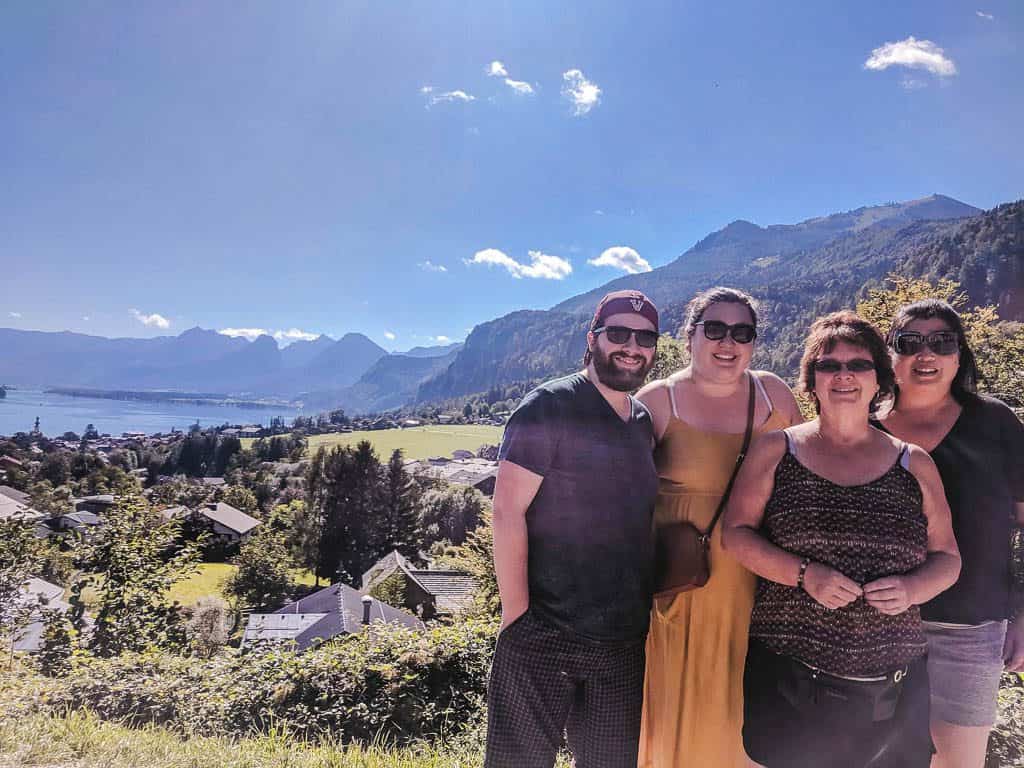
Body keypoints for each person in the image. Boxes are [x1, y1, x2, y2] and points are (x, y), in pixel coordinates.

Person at [722, 311, 961, 768]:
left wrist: (912, 589)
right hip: (788, 681)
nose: (844, 375)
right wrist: (805, 574)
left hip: (892, 693)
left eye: (858, 364)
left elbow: (947, 558)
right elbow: (735, 534)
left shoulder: (915, 464)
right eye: (828, 365)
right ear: (811, 381)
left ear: (880, 380)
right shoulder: (776, 450)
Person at [484, 289, 661, 768]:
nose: (632, 346)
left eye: (645, 337)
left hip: (621, 643)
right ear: (593, 339)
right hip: (545, 631)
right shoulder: (549, 405)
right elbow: (506, 512)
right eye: (619, 333)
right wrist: (517, 617)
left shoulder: (642, 420)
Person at [635, 287, 803, 768]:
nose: (727, 342)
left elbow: (809, 468)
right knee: (675, 709)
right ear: (690, 338)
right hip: (682, 588)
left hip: (764, 584)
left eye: (742, 332)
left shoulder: (775, 394)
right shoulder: (658, 401)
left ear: (754, 343)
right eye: (714, 329)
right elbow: (620, 497)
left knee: (748, 710)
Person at [873, 299, 1024, 768]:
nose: (927, 354)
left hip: (970, 625)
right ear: (889, 353)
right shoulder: (863, 424)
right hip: (872, 625)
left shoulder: (994, 422)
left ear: (959, 355)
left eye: (942, 342)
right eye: (910, 342)